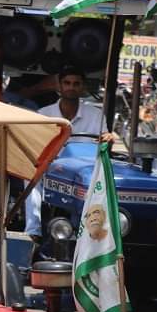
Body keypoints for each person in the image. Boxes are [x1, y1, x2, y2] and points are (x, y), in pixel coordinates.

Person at [26, 67, 114, 238]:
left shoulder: (95, 115)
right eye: (67, 83)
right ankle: (33, 231)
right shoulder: (44, 115)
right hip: (52, 168)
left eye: (76, 84)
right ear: (59, 86)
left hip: (85, 171)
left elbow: (104, 137)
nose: (71, 87)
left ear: (82, 88)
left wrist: (108, 137)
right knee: (29, 177)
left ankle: (97, 233)